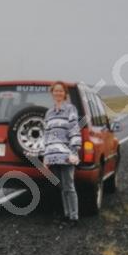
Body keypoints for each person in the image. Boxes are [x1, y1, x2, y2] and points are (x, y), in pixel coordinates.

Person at [42, 81, 82, 227]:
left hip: (67, 155)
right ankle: (66, 215)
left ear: (65, 93)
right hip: (53, 155)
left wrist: (74, 152)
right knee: (62, 187)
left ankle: (74, 217)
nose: (58, 93)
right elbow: (46, 135)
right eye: (55, 91)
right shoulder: (49, 113)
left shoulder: (70, 109)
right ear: (52, 93)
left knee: (69, 186)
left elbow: (74, 130)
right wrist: (46, 157)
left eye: (61, 91)